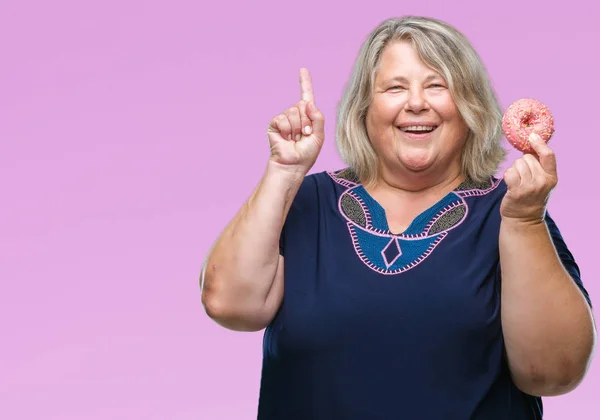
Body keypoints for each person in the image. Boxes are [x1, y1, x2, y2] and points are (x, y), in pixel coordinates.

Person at [200, 16, 596, 419]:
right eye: (395, 87)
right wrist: (283, 172)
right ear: (364, 108)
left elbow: (553, 373)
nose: (417, 102)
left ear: (470, 106)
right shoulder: (306, 201)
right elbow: (230, 305)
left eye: (437, 85)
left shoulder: (511, 210)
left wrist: (526, 222)